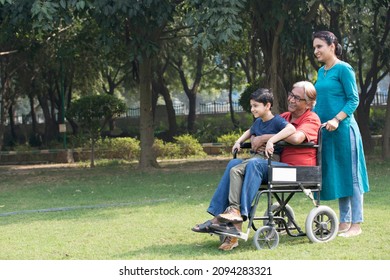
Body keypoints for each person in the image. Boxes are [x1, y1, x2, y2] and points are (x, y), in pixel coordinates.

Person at [192, 81, 321, 250]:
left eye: (297, 97)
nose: (291, 99)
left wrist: (266, 137)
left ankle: (238, 216)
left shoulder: (311, 118)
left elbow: (296, 138)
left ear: (308, 103)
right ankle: (223, 215)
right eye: (291, 94)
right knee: (234, 163)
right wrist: (254, 138)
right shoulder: (284, 117)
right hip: (274, 165)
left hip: (297, 171)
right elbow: (261, 127)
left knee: (254, 164)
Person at [312, 31, 370, 238]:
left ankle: (356, 224)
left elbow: (353, 99)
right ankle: (344, 222)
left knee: (352, 176)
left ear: (332, 46)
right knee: (339, 175)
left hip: (345, 131)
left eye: (319, 46)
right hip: (328, 134)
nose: (316, 51)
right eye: (314, 47)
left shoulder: (344, 69)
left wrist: (337, 119)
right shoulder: (321, 72)